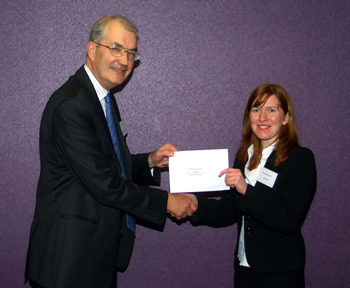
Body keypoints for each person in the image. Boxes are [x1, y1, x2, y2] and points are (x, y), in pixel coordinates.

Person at [25, 14, 197, 288]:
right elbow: (105, 184)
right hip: (68, 261)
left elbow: (109, 164)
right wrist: (166, 202)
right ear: (92, 49)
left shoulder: (103, 98)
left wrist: (150, 162)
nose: (125, 61)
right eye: (116, 48)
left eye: (131, 53)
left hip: (93, 254)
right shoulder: (72, 105)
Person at [187, 84, 316, 288]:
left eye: (271, 110)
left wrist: (246, 189)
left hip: (280, 273)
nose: (262, 117)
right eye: (256, 110)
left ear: (285, 118)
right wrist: (193, 205)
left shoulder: (300, 158)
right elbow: (229, 209)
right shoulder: (244, 157)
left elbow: (288, 220)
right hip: (245, 269)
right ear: (249, 117)